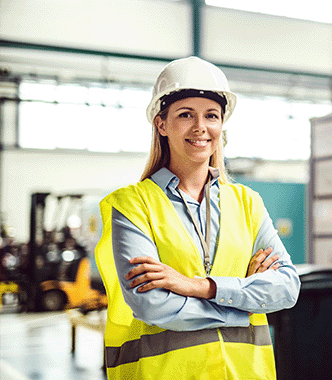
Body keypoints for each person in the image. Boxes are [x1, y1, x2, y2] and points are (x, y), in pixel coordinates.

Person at [95, 56, 301, 380]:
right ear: (161, 124)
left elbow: (287, 288)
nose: (200, 127)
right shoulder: (132, 206)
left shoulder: (248, 203)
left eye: (211, 115)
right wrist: (243, 303)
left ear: (221, 125)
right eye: (185, 114)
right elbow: (151, 304)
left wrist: (198, 287)